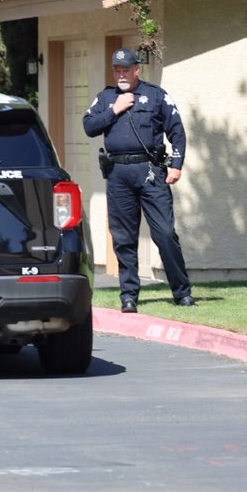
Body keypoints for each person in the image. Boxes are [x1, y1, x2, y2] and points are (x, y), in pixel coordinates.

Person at [83, 47, 195, 313]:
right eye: (117, 70)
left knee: (165, 233)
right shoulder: (106, 97)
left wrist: (176, 165)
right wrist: (114, 110)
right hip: (118, 173)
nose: (121, 74)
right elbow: (89, 126)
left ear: (136, 70)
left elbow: (177, 131)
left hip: (150, 172)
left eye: (125, 69)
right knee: (123, 237)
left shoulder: (155, 95)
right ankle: (129, 296)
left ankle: (182, 293)